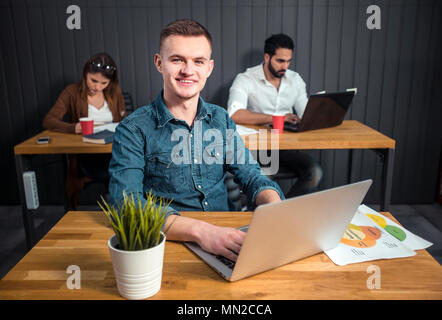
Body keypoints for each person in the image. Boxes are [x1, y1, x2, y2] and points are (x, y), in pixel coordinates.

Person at [109, 19, 284, 262]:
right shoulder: (133, 129)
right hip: (170, 245)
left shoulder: (221, 119)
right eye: (177, 59)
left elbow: (251, 175)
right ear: (159, 63)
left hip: (227, 238)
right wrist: (202, 232)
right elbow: (125, 206)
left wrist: (275, 209)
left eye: (198, 61)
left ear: (209, 68)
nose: (188, 71)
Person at [227, 34, 323, 198]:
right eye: (280, 61)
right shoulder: (245, 79)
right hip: (258, 148)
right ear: (267, 57)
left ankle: (286, 212)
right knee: (264, 182)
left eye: (288, 61)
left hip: (285, 148)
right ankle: (267, 216)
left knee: (315, 173)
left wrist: (319, 110)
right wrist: (276, 118)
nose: (285, 66)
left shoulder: (295, 79)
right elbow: (234, 114)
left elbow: (305, 114)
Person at [43, 52, 126, 208]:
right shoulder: (71, 92)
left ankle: (119, 208)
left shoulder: (115, 92)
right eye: (93, 80)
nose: (97, 87)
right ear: (85, 74)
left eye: (104, 83)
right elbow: (48, 120)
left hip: (112, 153)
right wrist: (72, 127)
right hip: (84, 155)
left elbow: (122, 120)